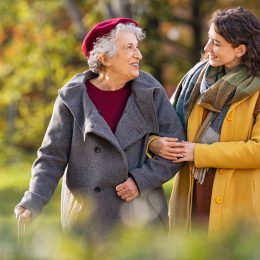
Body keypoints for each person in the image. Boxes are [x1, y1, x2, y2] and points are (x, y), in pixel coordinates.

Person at [14, 17, 185, 237]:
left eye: (137, 47)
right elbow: (51, 157)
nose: (139, 55)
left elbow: (177, 148)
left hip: (142, 217)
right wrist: (32, 201)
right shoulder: (72, 98)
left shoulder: (150, 90)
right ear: (105, 58)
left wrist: (140, 180)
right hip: (88, 220)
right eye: (129, 48)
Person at [148, 7, 260, 235]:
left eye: (216, 43)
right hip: (191, 196)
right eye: (209, 40)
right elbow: (164, 124)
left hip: (238, 204)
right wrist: (153, 142)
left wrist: (198, 153)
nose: (207, 48)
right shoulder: (196, 80)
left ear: (240, 49)